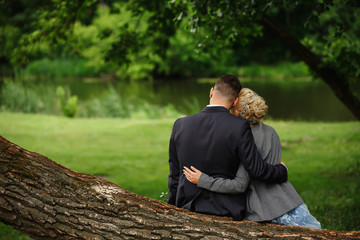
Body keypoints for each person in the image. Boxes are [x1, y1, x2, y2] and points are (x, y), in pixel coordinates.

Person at [183, 88, 321, 229]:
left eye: (230, 109)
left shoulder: (245, 137)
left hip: (265, 209)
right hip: (289, 201)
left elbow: (240, 184)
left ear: (236, 112)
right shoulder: (271, 131)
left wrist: (203, 180)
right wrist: (282, 170)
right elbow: (269, 168)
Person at [168, 74, 288, 221]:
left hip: (187, 205)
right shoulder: (239, 127)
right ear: (235, 101)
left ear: (211, 92)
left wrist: (172, 207)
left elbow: (174, 175)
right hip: (225, 209)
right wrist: (282, 171)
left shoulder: (181, 124)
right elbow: (258, 169)